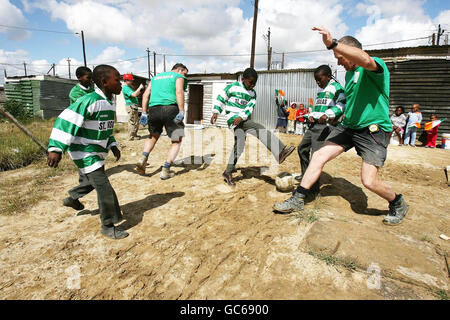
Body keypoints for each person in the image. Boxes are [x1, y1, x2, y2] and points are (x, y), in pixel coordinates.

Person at [274, 27, 408, 226]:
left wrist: (334, 44)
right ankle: (298, 198)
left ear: (349, 51)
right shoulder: (349, 75)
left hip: (373, 131)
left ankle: (397, 202)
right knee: (318, 155)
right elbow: (352, 103)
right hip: (349, 128)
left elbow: (365, 60)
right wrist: (335, 117)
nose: (338, 62)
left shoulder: (375, 67)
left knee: (369, 181)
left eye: (340, 57)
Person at [47, 65, 128, 239]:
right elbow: (66, 121)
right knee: (104, 187)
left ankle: (73, 198)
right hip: (84, 151)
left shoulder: (110, 102)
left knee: (92, 182)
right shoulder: (89, 100)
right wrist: (56, 148)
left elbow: (105, 128)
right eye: (118, 79)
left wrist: (112, 144)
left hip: (96, 151)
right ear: (104, 82)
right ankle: (108, 225)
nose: (121, 83)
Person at [210, 67, 295, 186]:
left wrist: (242, 116)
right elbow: (221, 98)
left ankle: (228, 171)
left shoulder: (252, 94)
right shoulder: (233, 87)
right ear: (243, 79)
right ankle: (280, 151)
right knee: (258, 127)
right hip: (233, 118)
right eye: (250, 82)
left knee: (239, 146)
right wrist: (215, 112)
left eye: (255, 83)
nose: (252, 85)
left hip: (242, 118)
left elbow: (249, 108)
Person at [295, 64, 346, 198]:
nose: (318, 82)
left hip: (324, 127)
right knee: (302, 149)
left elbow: (342, 105)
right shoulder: (321, 90)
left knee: (315, 158)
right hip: (313, 125)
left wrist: (328, 115)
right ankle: (307, 177)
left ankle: (313, 190)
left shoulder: (337, 87)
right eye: (316, 80)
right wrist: (312, 115)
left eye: (320, 79)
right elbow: (319, 107)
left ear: (328, 77)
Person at [136, 63, 188, 179]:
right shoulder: (178, 76)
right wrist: (181, 111)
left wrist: (144, 112)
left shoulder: (155, 78)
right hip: (171, 109)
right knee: (176, 140)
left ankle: (143, 158)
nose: (185, 77)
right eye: (185, 74)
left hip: (153, 109)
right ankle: (166, 170)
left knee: (153, 136)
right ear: (179, 70)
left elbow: (145, 95)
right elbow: (179, 92)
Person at [122, 74, 144, 141]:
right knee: (132, 121)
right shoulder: (125, 88)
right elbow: (134, 94)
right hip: (131, 106)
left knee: (135, 121)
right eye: (130, 80)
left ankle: (134, 135)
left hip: (133, 106)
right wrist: (139, 88)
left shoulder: (128, 87)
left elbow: (135, 94)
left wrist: (140, 90)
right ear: (126, 80)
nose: (132, 81)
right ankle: (131, 137)